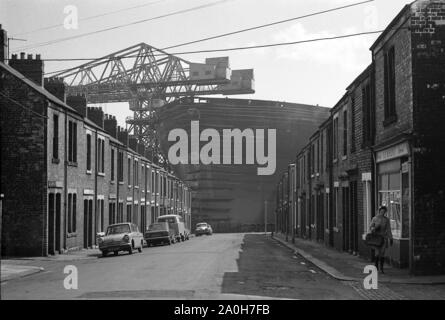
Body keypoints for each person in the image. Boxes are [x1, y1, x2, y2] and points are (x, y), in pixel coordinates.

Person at [369, 205, 393, 273]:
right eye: (381, 211)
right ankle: (376, 267)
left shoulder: (386, 220)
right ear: (379, 211)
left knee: (382, 253)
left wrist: (391, 238)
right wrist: (374, 228)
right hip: (376, 238)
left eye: (384, 212)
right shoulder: (375, 218)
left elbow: (388, 229)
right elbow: (370, 227)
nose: (382, 213)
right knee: (377, 253)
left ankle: (381, 268)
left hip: (383, 238)